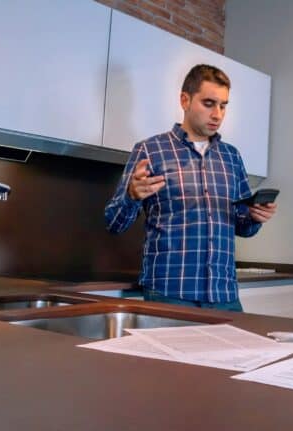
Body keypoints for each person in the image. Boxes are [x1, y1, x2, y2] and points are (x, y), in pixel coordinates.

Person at [104, 64, 276, 311]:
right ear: (185, 100)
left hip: (224, 294)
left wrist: (255, 216)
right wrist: (131, 196)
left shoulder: (231, 157)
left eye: (223, 105)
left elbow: (243, 226)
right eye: (209, 103)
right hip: (170, 293)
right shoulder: (150, 151)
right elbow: (113, 223)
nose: (217, 114)